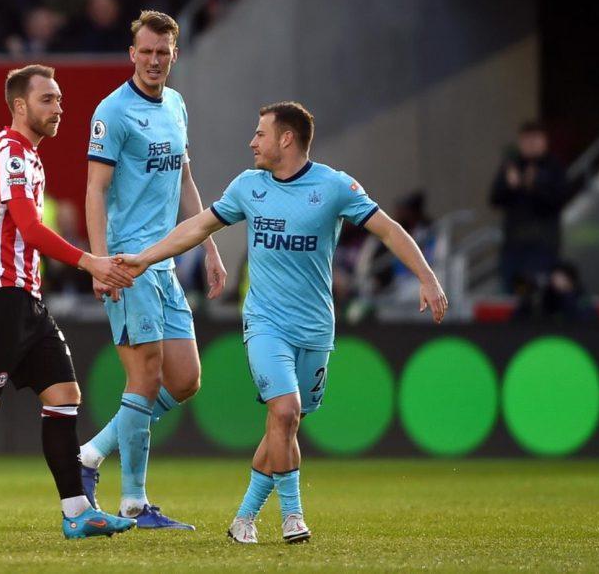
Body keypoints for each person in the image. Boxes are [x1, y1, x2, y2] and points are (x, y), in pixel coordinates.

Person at [117, 102, 448, 543]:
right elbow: (197, 227)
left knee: (284, 424)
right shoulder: (248, 187)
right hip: (265, 323)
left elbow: (388, 229)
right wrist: (144, 258)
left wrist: (428, 278)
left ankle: (244, 519)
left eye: (260, 134)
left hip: (316, 329)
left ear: (286, 139)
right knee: (285, 410)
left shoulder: (334, 187)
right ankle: (293, 516)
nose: (252, 142)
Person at [0, 64, 137, 541]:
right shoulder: (11, 155)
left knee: (64, 395)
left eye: (59, 99)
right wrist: (91, 262)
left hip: (25, 300)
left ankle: (78, 512)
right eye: (47, 99)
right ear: (20, 106)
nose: (59, 108)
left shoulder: (27, 157)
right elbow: (30, 229)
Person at [79, 10, 227, 530]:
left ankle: (90, 454)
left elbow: (184, 178)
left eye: (163, 52)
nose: (154, 60)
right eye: (145, 51)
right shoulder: (113, 112)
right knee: (143, 378)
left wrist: (208, 246)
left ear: (174, 55)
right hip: (127, 262)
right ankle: (135, 504)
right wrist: (100, 262)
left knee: (185, 379)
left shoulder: (177, 106)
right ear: (132, 54)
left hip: (165, 263)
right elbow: (95, 190)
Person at [490, 122, 570, 293]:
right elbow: (495, 199)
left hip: (542, 245)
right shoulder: (512, 166)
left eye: (535, 139)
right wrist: (510, 185)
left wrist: (535, 185)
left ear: (544, 141)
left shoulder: (553, 167)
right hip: (513, 245)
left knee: (537, 294)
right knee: (510, 294)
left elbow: (559, 199)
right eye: (526, 140)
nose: (531, 145)